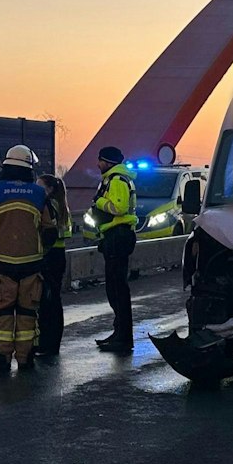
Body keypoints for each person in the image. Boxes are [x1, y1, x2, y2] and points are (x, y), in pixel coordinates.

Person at [0, 145, 56, 373]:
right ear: (29, 168)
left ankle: (1, 359)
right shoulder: (39, 193)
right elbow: (50, 232)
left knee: (2, 312)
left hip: (1, 263)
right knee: (27, 313)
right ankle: (25, 359)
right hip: (31, 263)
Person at [92, 144, 138, 354]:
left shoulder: (117, 180)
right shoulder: (112, 179)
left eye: (100, 160)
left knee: (118, 289)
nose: (98, 164)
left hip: (118, 235)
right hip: (114, 235)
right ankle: (119, 332)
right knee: (114, 288)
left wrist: (99, 201)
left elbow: (118, 207)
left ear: (108, 162)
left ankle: (123, 337)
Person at [37, 165, 71, 358]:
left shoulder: (49, 205)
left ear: (49, 189)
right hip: (59, 254)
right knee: (54, 300)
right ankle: (52, 343)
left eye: (40, 186)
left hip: (49, 254)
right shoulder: (61, 204)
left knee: (47, 302)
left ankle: (46, 343)